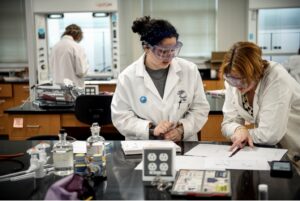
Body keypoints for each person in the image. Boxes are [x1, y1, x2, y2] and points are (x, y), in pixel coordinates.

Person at [111, 16, 210, 141]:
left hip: (182, 144)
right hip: (143, 146)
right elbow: (121, 117)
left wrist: (181, 129)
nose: (169, 56)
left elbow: (200, 109)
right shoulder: (127, 77)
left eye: (173, 50)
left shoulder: (189, 70)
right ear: (146, 47)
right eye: (163, 51)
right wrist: (151, 130)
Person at [220, 41, 300, 170]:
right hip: (275, 151)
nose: (237, 85)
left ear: (256, 72)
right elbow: (227, 123)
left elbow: (269, 134)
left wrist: (245, 133)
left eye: (243, 79)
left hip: (295, 147)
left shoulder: (276, 78)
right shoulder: (232, 80)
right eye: (231, 79)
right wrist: (238, 129)